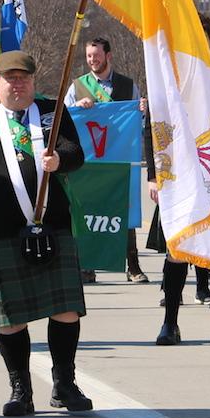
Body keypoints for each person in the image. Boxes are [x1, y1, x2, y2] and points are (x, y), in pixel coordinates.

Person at [0, 50, 92, 416]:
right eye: (9, 78)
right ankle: (21, 389)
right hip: (4, 233)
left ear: (33, 80)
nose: (17, 84)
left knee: (66, 311)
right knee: (10, 318)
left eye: (24, 78)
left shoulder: (52, 111)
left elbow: (77, 153)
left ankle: (64, 384)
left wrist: (60, 159)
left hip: (54, 227)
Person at [149, 12, 210, 346]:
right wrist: (154, 175)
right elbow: (157, 128)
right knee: (177, 248)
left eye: (200, 36)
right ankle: (170, 322)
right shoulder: (167, 75)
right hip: (179, 173)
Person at [62, 37, 145, 283]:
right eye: (89, 56)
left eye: (96, 55)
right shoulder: (78, 87)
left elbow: (139, 125)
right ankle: (87, 264)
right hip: (89, 162)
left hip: (120, 159)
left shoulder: (128, 86)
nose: (92, 60)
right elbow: (65, 119)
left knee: (125, 210)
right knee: (87, 212)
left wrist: (141, 111)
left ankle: (133, 264)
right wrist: (78, 107)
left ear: (108, 56)